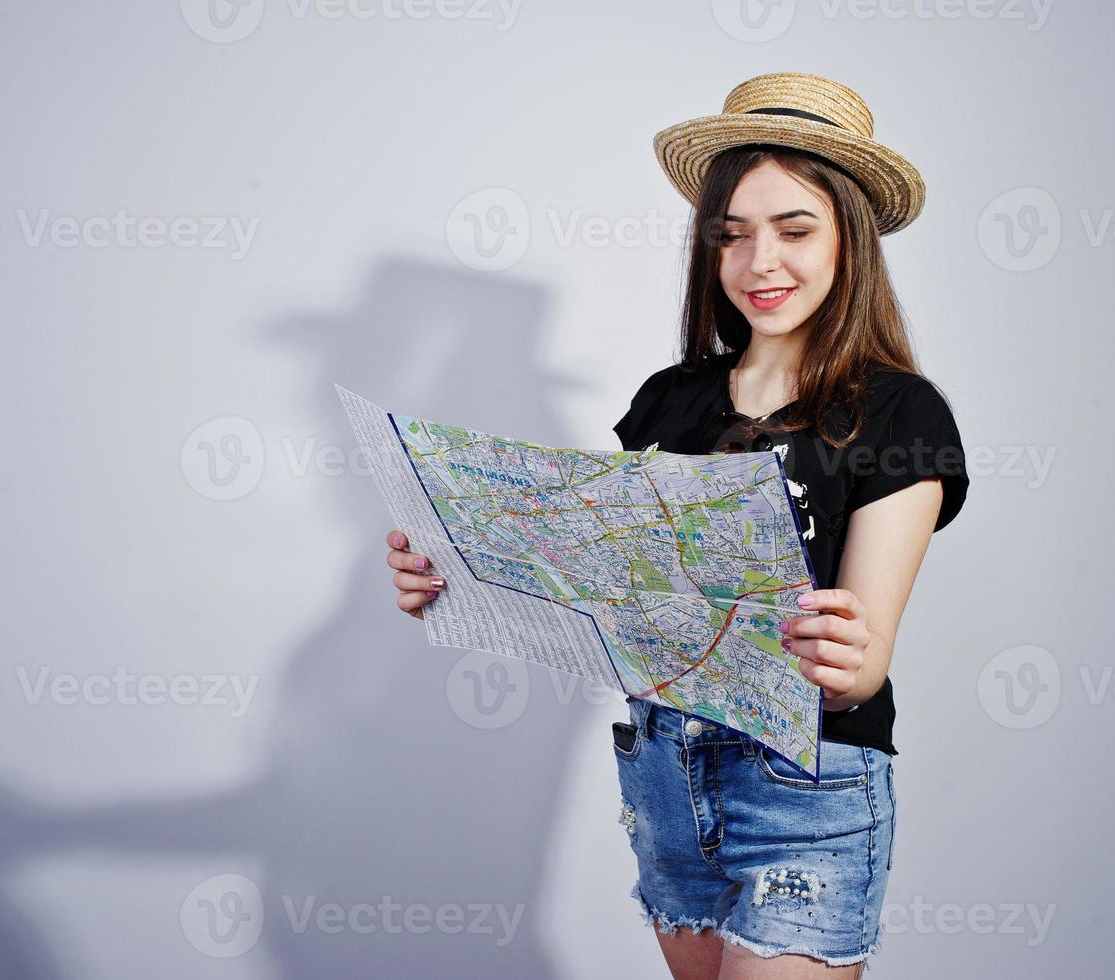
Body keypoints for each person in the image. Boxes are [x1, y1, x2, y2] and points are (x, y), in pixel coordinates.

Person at [384, 72, 969, 979]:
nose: (758, 262)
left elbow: (859, 667)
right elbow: (616, 606)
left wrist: (851, 660)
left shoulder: (899, 413)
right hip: (664, 774)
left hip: (804, 786)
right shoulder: (669, 400)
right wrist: (454, 583)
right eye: (731, 236)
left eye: (793, 229)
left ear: (850, 238)